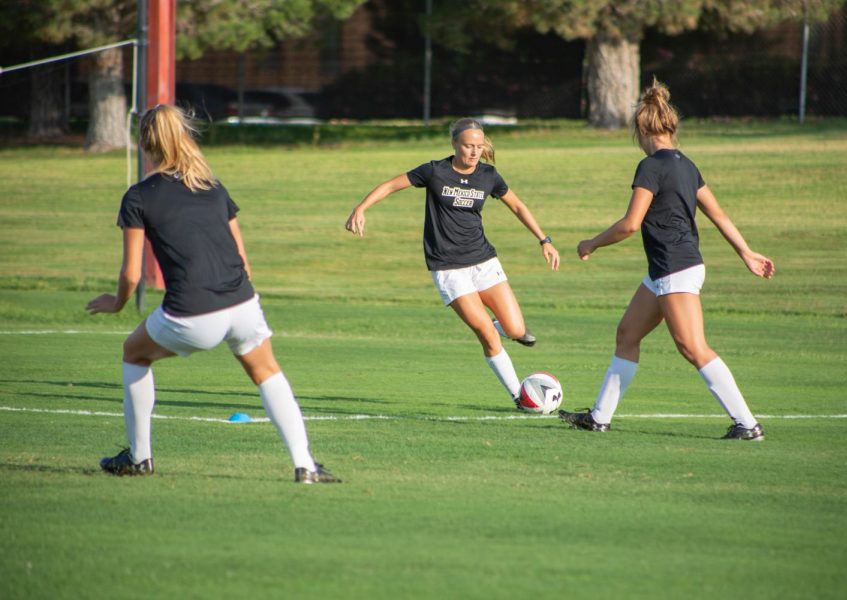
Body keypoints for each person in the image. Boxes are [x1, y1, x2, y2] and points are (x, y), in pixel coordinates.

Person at [86, 104, 340, 483]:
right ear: (184, 135)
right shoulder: (213, 186)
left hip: (191, 315)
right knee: (268, 372)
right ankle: (305, 465)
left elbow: (132, 274)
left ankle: (139, 458)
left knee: (133, 353)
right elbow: (243, 259)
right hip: (243, 305)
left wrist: (117, 302)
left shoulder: (139, 196)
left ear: (145, 143)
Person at [559, 80, 775, 440]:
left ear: (642, 131)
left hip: (676, 267)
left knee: (692, 346)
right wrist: (745, 252)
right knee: (627, 334)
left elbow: (630, 224)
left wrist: (592, 243)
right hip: (667, 268)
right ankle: (599, 417)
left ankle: (747, 424)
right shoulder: (687, 165)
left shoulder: (651, 166)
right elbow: (719, 215)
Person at [345, 118, 560, 408]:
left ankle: (497, 325)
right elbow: (390, 186)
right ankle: (518, 396)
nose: (474, 152)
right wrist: (361, 208)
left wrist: (544, 240)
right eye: (468, 146)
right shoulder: (434, 171)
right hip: (448, 268)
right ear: (455, 145)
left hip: (484, 262)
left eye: (479, 146)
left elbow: (518, 206)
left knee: (516, 330)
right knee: (486, 335)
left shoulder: (489, 175)